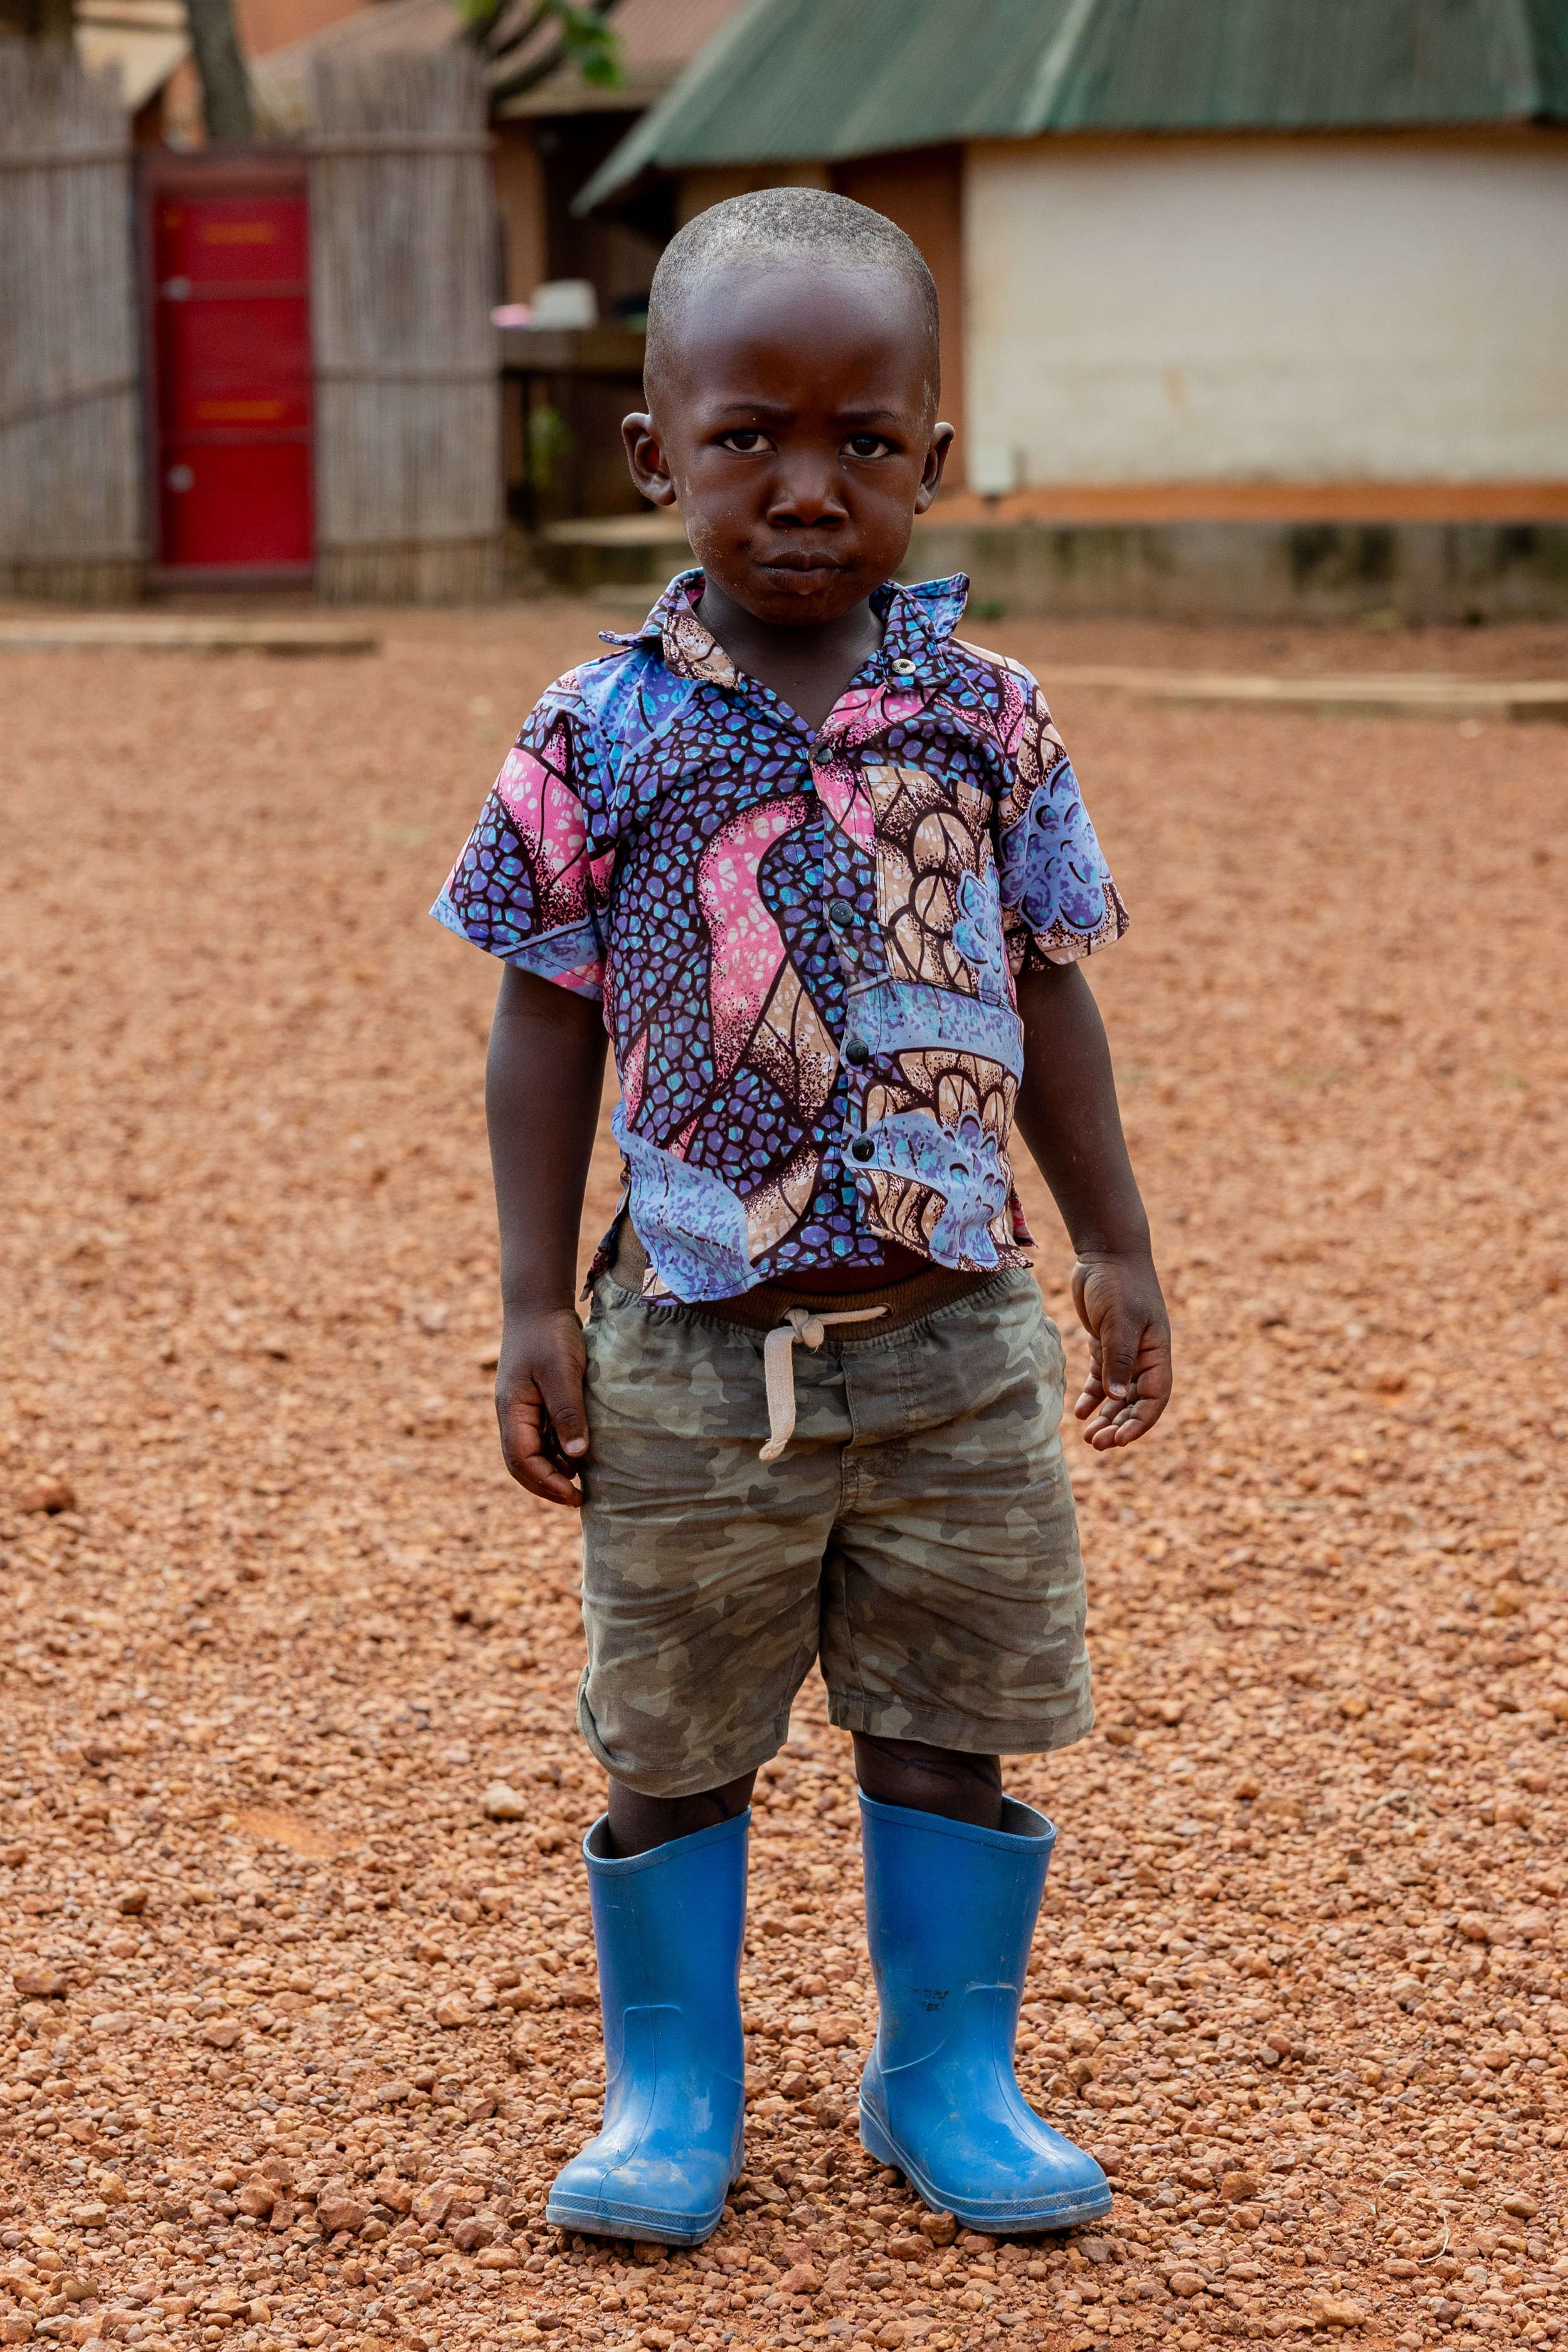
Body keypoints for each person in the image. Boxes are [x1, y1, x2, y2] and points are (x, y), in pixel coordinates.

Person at [432, 188, 1172, 2249]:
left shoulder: (989, 717)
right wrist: (526, 1303)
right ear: (654, 448)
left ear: (930, 459)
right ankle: (668, 2088)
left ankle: (946, 2071)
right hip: (687, 1346)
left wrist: (1110, 1238)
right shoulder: (595, 733)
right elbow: (537, 1018)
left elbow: (1047, 983)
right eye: (749, 434)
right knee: (671, 1737)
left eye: (863, 443)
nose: (803, 489)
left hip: (955, 1345)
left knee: (953, 1715)